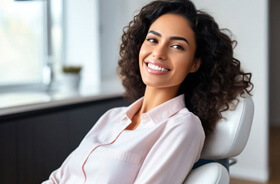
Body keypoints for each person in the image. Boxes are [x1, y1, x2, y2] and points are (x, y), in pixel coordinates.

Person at [43, 0, 253, 183]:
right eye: (153, 40)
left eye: (177, 46)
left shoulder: (182, 127)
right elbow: (58, 178)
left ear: (195, 64)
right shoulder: (111, 117)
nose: (158, 53)